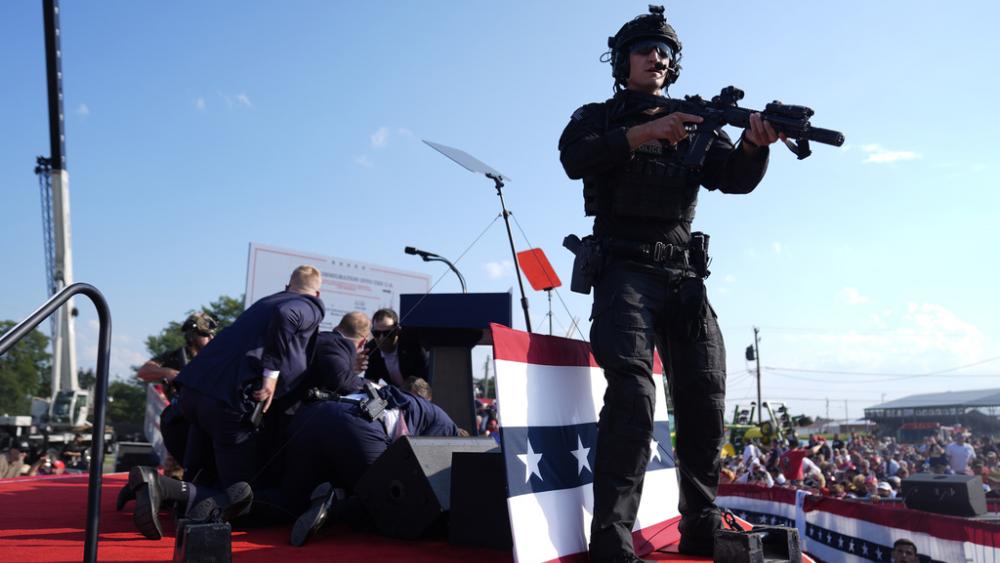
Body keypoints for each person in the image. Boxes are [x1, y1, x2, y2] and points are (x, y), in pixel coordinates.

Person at [558, 6, 781, 559]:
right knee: (633, 395)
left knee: (705, 395)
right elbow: (573, 158)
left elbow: (733, 180)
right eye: (644, 49)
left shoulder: (696, 122)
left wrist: (756, 144)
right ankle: (611, 538)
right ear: (621, 60)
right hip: (624, 270)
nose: (656, 57)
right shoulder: (596, 117)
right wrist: (644, 132)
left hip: (683, 275)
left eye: (664, 51)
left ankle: (700, 523)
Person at [174, 265, 326, 488]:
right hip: (226, 402)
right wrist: (271, 375)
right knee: (239, 492)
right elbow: (288, 315)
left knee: (199, 473)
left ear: (287, 286)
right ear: (318, 294)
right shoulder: (308, 305)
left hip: (194, 391)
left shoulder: (265, 302)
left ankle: (165, 492)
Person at [279, 384, 462, 546]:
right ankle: (333, 505)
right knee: (387, 501)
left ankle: (251, 502)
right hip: (358, 423)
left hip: (312, 413)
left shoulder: (427, 411)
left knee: (290, 501)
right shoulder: (448, 430)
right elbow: (418, 477)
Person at [137, 312, 218, 476]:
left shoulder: (214, 356)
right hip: (182, 419)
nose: (210, 339)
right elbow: (144, 371)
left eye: (211, 335)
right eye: (205, 335)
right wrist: (170, 372)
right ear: (192, 335)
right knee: (176, 469)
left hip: (207, 418)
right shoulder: (176, 357)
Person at [305, 311, 371, 395]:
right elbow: (343, 383)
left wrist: (350, 369)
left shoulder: (324, 337)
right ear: (362, 342)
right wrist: (373, 386)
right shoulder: (336, 345)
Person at [364, 308, 429, 388]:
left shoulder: (414, 346)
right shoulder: (371, 349)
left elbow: (426, 379)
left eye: (387, 333)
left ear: (397, 331)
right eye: (376, 333)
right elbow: (370, 380)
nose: (382, 338)